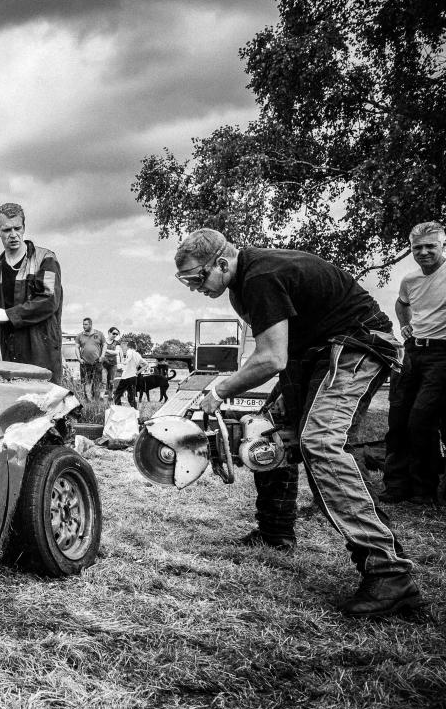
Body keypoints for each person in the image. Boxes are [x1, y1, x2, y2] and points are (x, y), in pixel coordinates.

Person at [176, 228, 423, 618]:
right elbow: (283, 353)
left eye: (197, 277)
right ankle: (275, 530)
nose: (195, 287)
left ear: (221, 263)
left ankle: (389, 573)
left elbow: (271, 358)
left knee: (321, 442)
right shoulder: (241, 286)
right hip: (312, 354)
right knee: (266, 433)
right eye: (186, 281)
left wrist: (220, 390)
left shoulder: (260, 277)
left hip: (357, 343)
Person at [380, 221, 446, 507]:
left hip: (442, 355)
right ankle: (397, 485)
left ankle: (424, 489)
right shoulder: (410, 280)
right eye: (417, 247)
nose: (424, 252)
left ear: (442, 245)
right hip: (412, 352)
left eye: (430, 246)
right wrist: (404, 325)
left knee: (421, 419)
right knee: (398, 418)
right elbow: (401, 303)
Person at [0, 202, 63, 383]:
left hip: (41, 356)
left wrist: (8, 315)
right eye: (7, 230)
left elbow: (49, 300)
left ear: (24, 228)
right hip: (7, 358)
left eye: (18, 228)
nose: (13, 234)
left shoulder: (46, 259)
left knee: (42, 400)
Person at [76, 317, 106, 398]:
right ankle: (87, 399)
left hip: (97, 362)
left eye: (86, 324)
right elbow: (76, 347)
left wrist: (102, 356)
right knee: (86, 382)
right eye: (83, 324)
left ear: (90, 325)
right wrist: (79, 358)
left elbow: (104, 345)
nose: (84, 326)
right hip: (85, 363)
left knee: (97, 382)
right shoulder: (80, 336)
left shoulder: (99, 334)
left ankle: (96, 399)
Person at [113, 339, 143, 408]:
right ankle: (134, 411)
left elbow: (128, 360)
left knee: (118, 395)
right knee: (130, 397)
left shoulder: (130, 352)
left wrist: (125, 363)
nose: (124, 347)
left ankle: (120, 409)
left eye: (125, 345)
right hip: (130, 377)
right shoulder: (135, 354)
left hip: (126, 377)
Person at [101, 327, 120, 397]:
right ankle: (101, 397)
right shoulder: (103, 342)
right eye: (114, 333)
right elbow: (100, 352)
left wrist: (105, 350)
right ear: (109, 332)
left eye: (116, 334)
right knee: (103, 381)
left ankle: (110, 396)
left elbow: (116, 352)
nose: (115, 335)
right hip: (103, 364)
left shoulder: (117, 343)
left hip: (113, 365)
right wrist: (110, 352)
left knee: (111, 382)